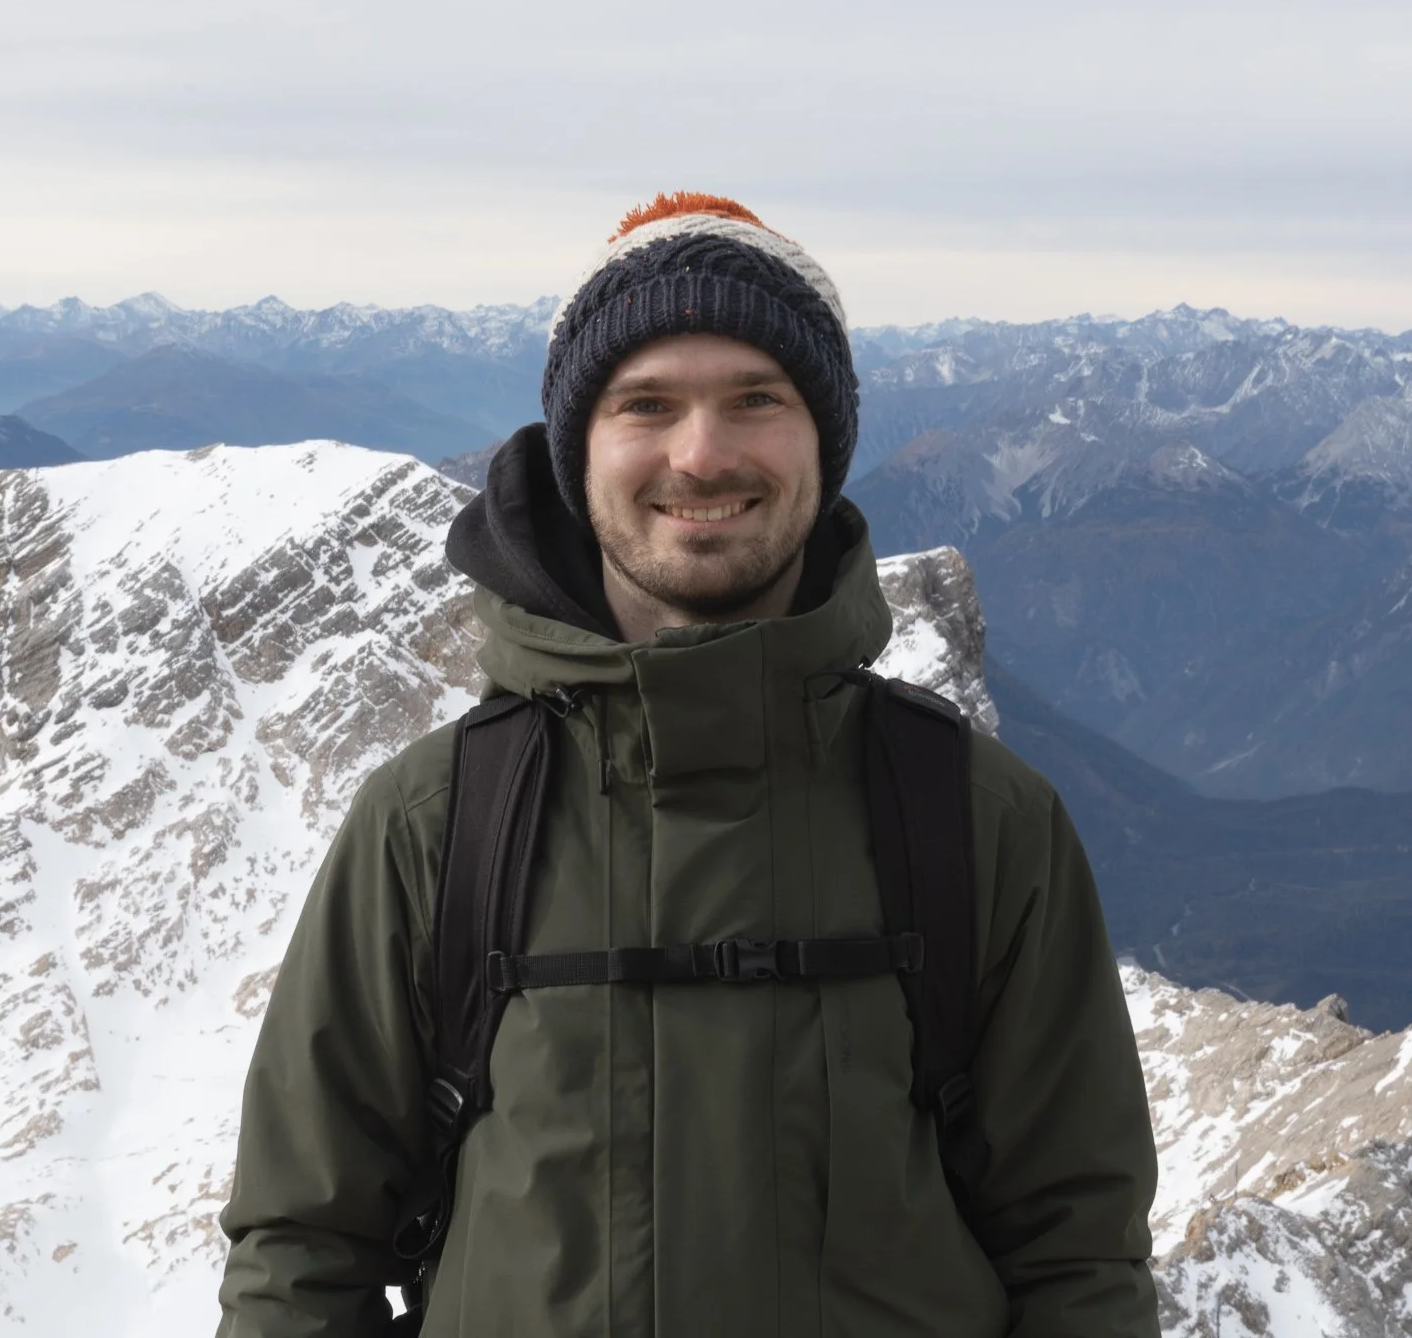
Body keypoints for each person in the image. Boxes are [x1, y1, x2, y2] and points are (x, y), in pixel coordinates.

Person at [217, 192, 1159, 1337]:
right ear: (579, 452)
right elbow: (303, 1251)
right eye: (645, 404)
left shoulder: (977, 818)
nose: (700, 454)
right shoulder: (435, 822)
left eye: (756, 399)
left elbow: (1080, 1260)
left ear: (824, 440)